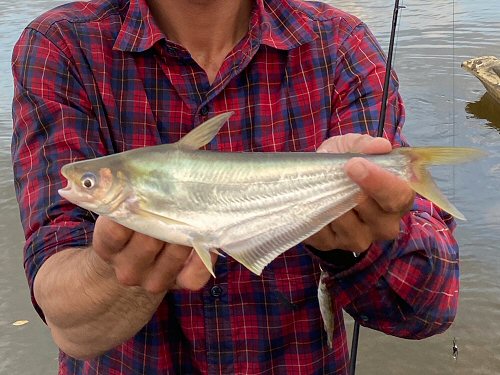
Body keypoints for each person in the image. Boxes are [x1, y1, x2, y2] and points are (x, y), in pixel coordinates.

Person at [11, 0, 459, 373]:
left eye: (89, 181)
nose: (82, 183)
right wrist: (120, 272)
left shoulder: (340, 45)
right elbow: (68, 320)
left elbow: (429, 305)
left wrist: (347, 241)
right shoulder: (61, 46)